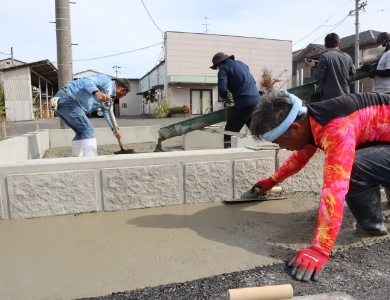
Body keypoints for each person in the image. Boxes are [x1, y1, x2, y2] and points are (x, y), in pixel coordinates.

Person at [249, 90, 390, 282]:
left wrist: (319, 249)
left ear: (296, 128)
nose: (281, 147)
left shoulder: (337, 128)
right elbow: (301, 155)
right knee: (368, 155)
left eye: (279, 141)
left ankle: (372, 227)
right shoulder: (312, 118)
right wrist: (273, 180)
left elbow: (335, 190)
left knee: (355, 165)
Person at [51, 74, 130, 156]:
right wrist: (98, 93)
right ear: (122, 90)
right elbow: (86, 81)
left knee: (80, 132)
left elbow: (108, 113)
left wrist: (115, 128)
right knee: (88, 130)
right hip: (68, 98)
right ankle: (90, 162)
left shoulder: (109, 99)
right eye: (122, 95)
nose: (119, 97)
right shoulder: (106, 81)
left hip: (64, 103)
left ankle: (77, 160)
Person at [210, 52, 260, 148]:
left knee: (229, 132)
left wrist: (225, 99)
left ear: (219, 64)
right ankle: (264, 149)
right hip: (257, 101)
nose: (218, 69)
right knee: (256, 131)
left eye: (217, 67)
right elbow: (253, 81)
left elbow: (222, 89)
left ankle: (227, 153)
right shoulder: (242, 64)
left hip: (244, 104)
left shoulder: (223, 69)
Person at [305, 33, 356, 101]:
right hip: (345, 97)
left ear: (325, 46)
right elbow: (353, 71)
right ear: (338, 44)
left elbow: (318, 76)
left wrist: (313, 67)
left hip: (329, 100)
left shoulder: (324, 56)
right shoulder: (347, 57)